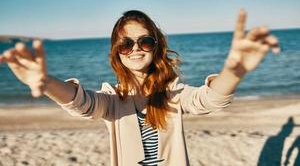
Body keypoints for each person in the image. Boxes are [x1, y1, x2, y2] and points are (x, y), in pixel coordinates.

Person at [0, 9, 280, 166]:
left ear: (156, 47)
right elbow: (81, 103)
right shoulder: (112, 100)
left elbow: (209, 100)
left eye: (144, 41)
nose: (135, 49)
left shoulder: (172, 94)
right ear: (116, 51)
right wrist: (47, 83)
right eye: (125, 43)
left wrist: (233, 72)